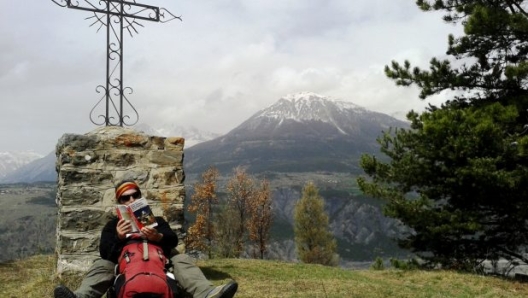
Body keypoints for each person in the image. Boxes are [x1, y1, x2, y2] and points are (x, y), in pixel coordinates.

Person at [54, 180, 238, 298]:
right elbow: (105, 252)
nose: (131, 199)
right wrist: (118, 236)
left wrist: (158, 236)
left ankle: (207, 293)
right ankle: (80, 297)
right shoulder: (113, 224)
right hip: (126, 259)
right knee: (101, 265)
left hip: (158, 257)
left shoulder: (156, 220)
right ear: (120, 202)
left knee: (182, 259)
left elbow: (172, 240)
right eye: (126, 198)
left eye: (136, 196)